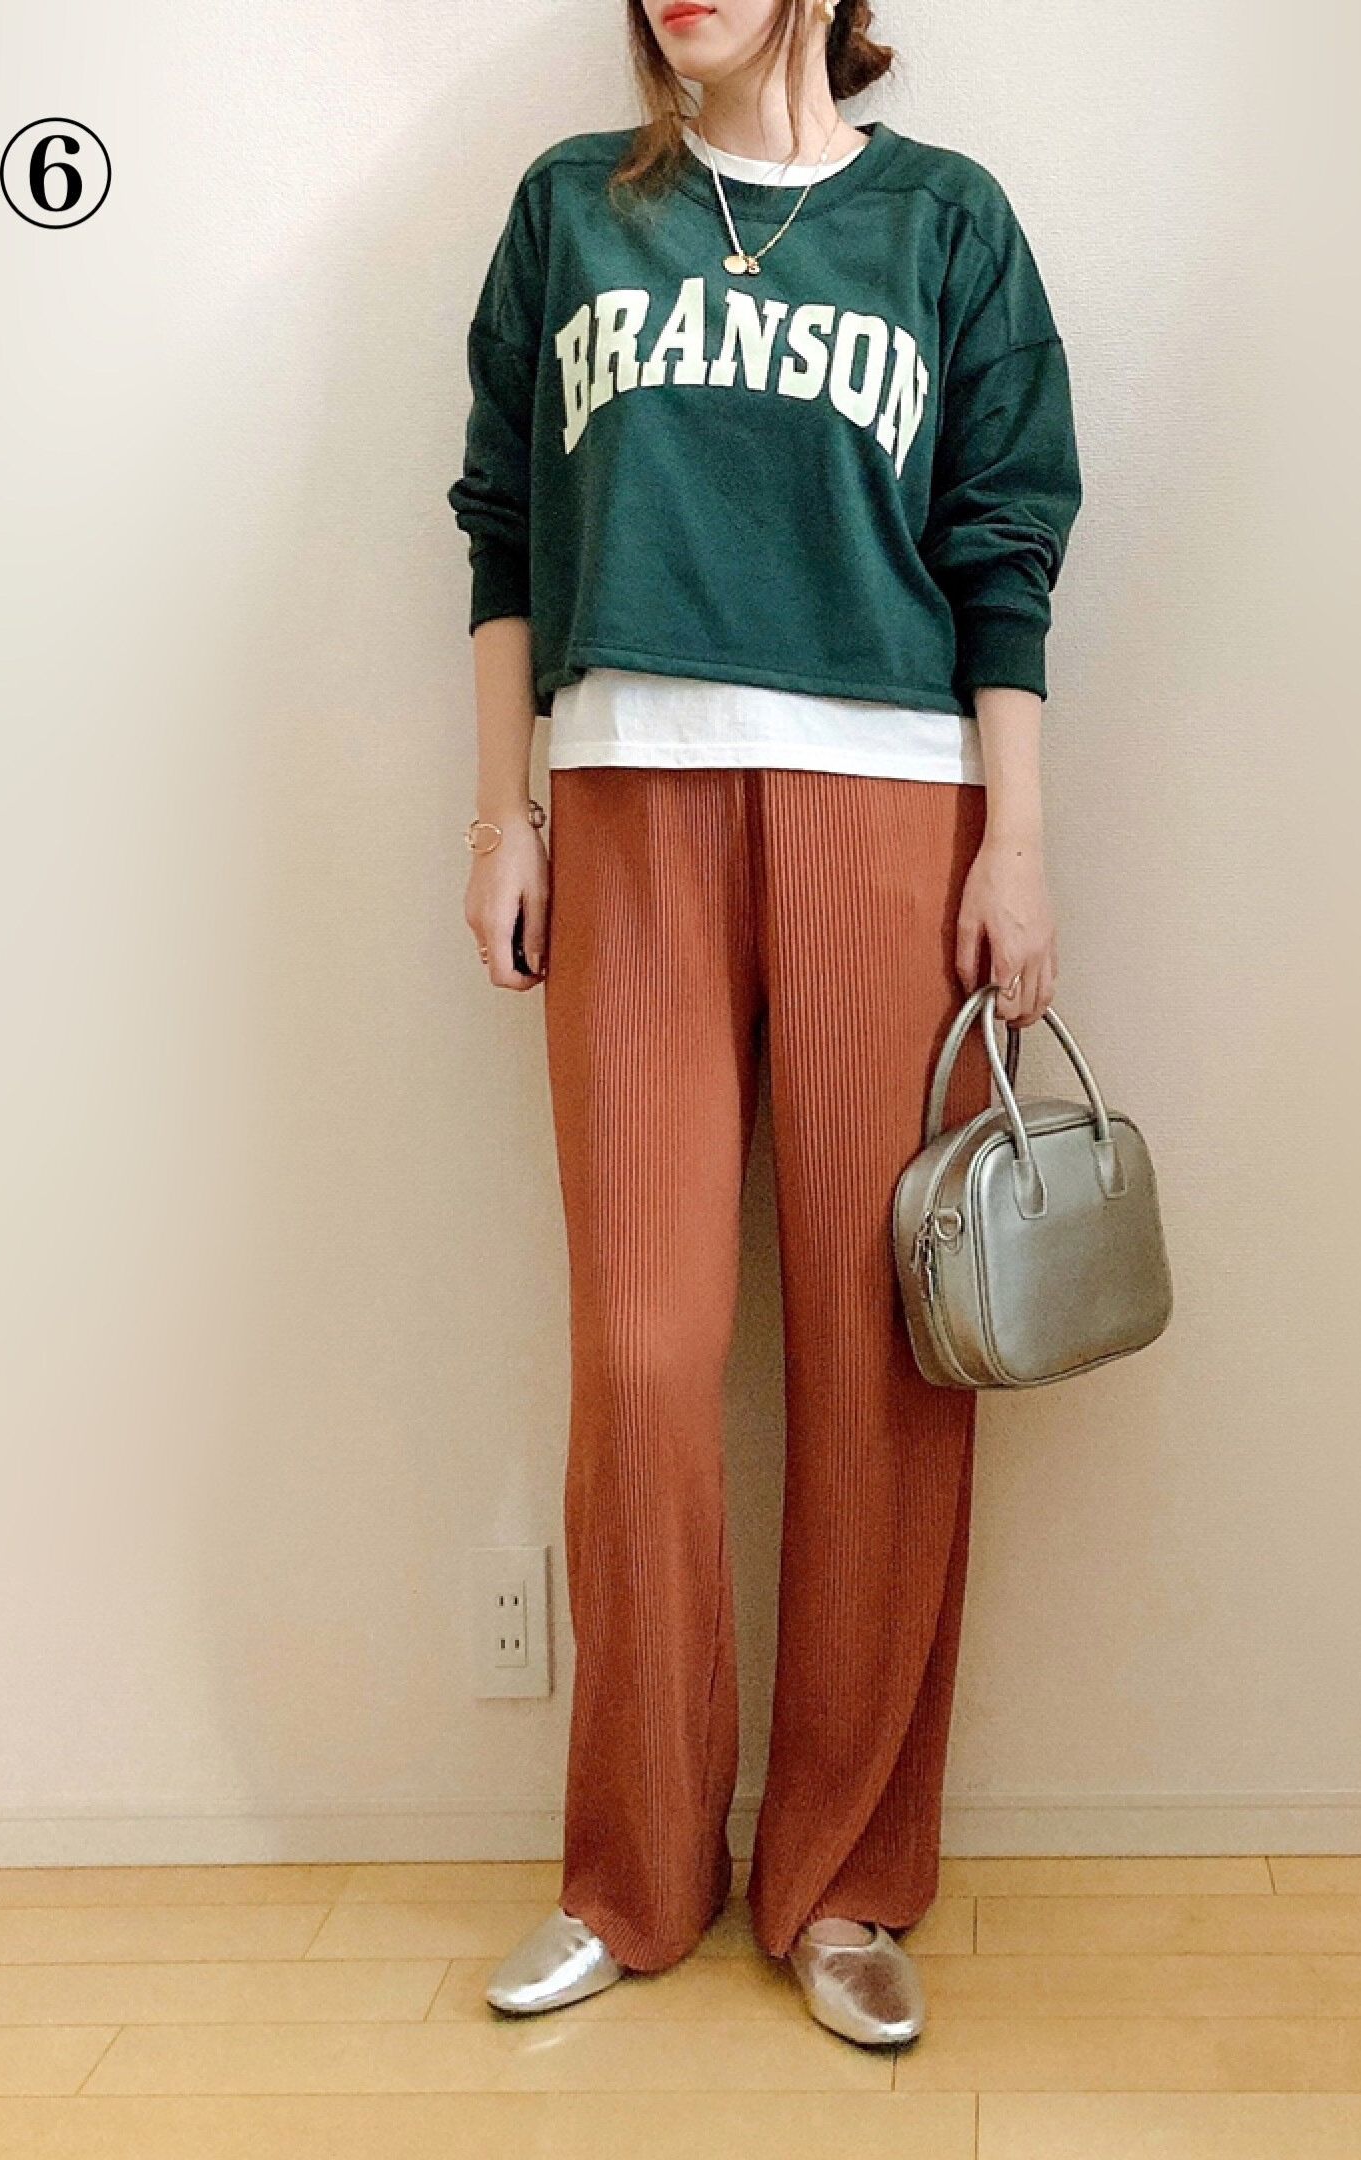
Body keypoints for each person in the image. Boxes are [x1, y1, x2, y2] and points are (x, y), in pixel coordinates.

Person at [446, 0, 1081, 2047]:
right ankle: (631, 1875)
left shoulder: (947, 223)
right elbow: (501, 524)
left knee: (873, 1353)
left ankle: (847, 1876)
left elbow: (1006, 545)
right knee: (642, 1354)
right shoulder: (574, 213)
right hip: (626, 804)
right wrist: (503, 813)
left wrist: (1018, 846)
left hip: (893, 812)